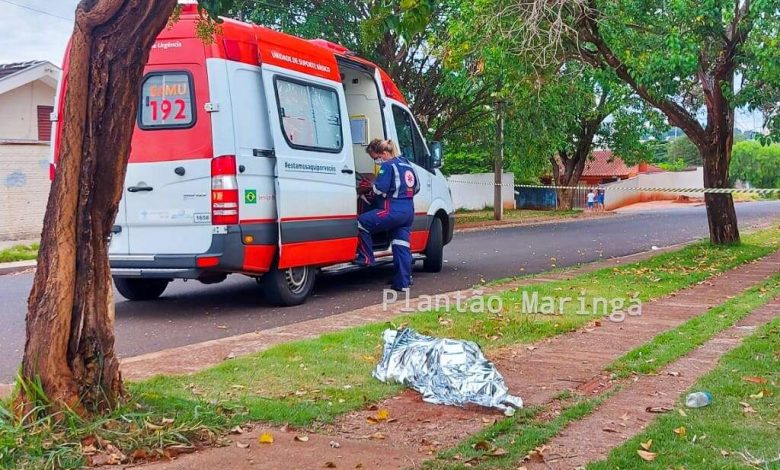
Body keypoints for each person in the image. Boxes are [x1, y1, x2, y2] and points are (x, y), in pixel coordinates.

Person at [355, 139, 420, 291]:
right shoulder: (407, 165)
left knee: (361, 223)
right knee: (401, 245)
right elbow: (416, 188)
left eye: (378, 157)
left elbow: (379, 190)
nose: (378, 161)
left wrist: (369, 189)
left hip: (392, 209)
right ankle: (403, 283)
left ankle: (366, 258)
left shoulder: (387, 166)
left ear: (385, 153)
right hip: (408, 211)